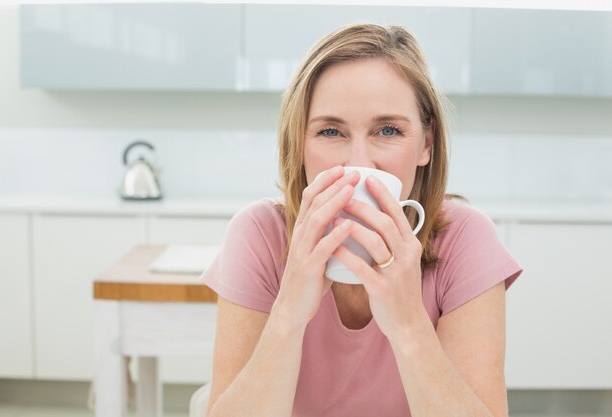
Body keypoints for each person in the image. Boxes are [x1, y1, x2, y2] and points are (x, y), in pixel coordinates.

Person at [201, 23, 522, 417]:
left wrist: (408, 325)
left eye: (388, 130)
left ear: (426, 143)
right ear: (299, 144)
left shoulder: (466, 239)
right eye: (331, 131)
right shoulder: (258, 235)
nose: (357, 163)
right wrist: (288, 315)